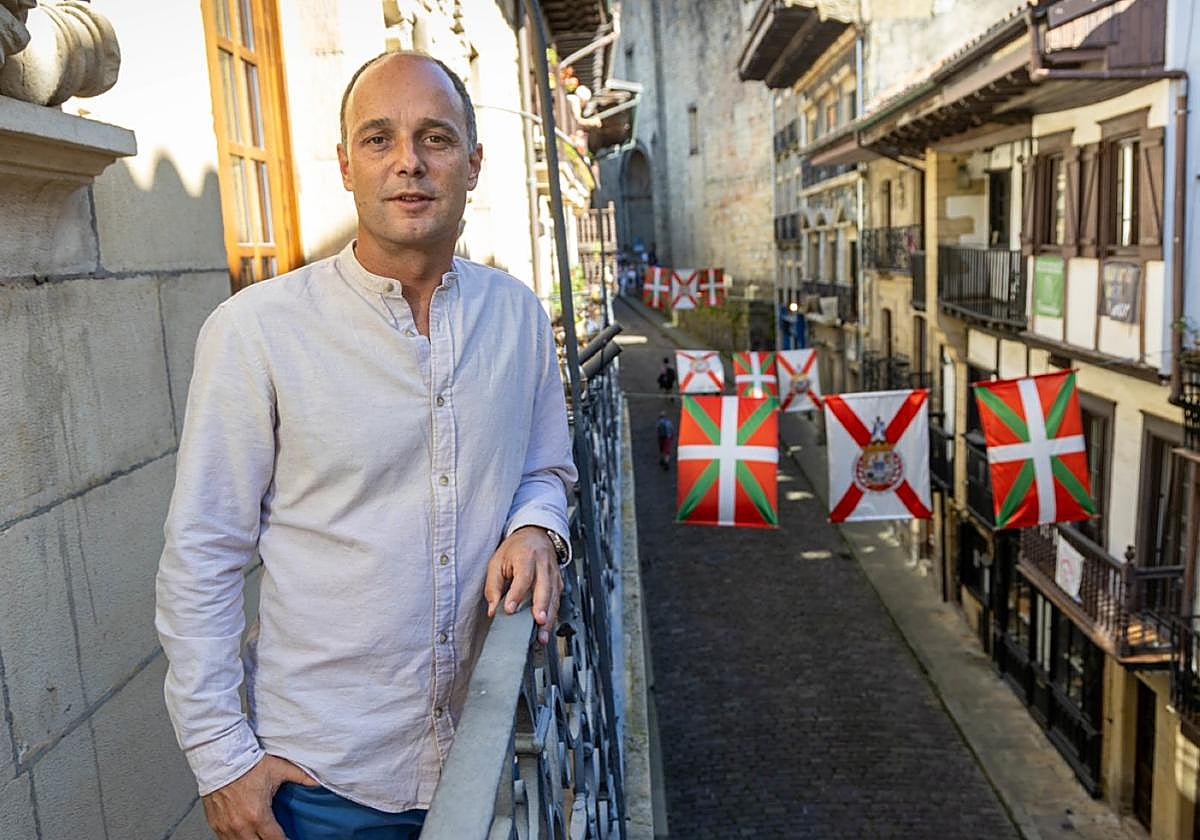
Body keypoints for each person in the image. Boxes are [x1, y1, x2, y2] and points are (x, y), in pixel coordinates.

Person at [155, 51, 577, 840]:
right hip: (319, 782)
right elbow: (203, 553)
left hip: (477, 757)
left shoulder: (517, 316)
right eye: (379, 139)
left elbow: (545, 467)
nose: (408, 163)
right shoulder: (258, 332)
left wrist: (535, 526)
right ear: (345, 165)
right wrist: (219, 757)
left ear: (474, 164)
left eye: (436, 139)